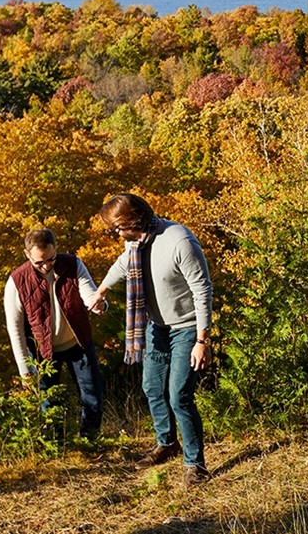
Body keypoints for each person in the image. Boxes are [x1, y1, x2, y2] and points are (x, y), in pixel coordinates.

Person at [93, 193, 213, 485]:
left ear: (133, 220)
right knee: (152, 387)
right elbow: (123, 264)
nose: (116, 234)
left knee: (179, 397)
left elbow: (203, 290)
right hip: (156, 326)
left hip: (187, 328)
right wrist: (102, 290)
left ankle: (195, 465)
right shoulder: (136, 244)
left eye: (117, 228)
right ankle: (167, 443)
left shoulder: (179, 241)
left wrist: (202, 341)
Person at [4, 227, 105, 440]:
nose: (46, 265)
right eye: (39, 262)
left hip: (78, 343)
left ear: (55, 250)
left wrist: (97, 305)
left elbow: (88, 292)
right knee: (50, 403)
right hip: (43, 352)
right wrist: (25, 369)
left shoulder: (73, 264)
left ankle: (90, 441)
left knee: (92, 395)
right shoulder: (16, 281)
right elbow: (15, 330)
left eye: (51, 259)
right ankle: (54, 446)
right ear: (27, 254)